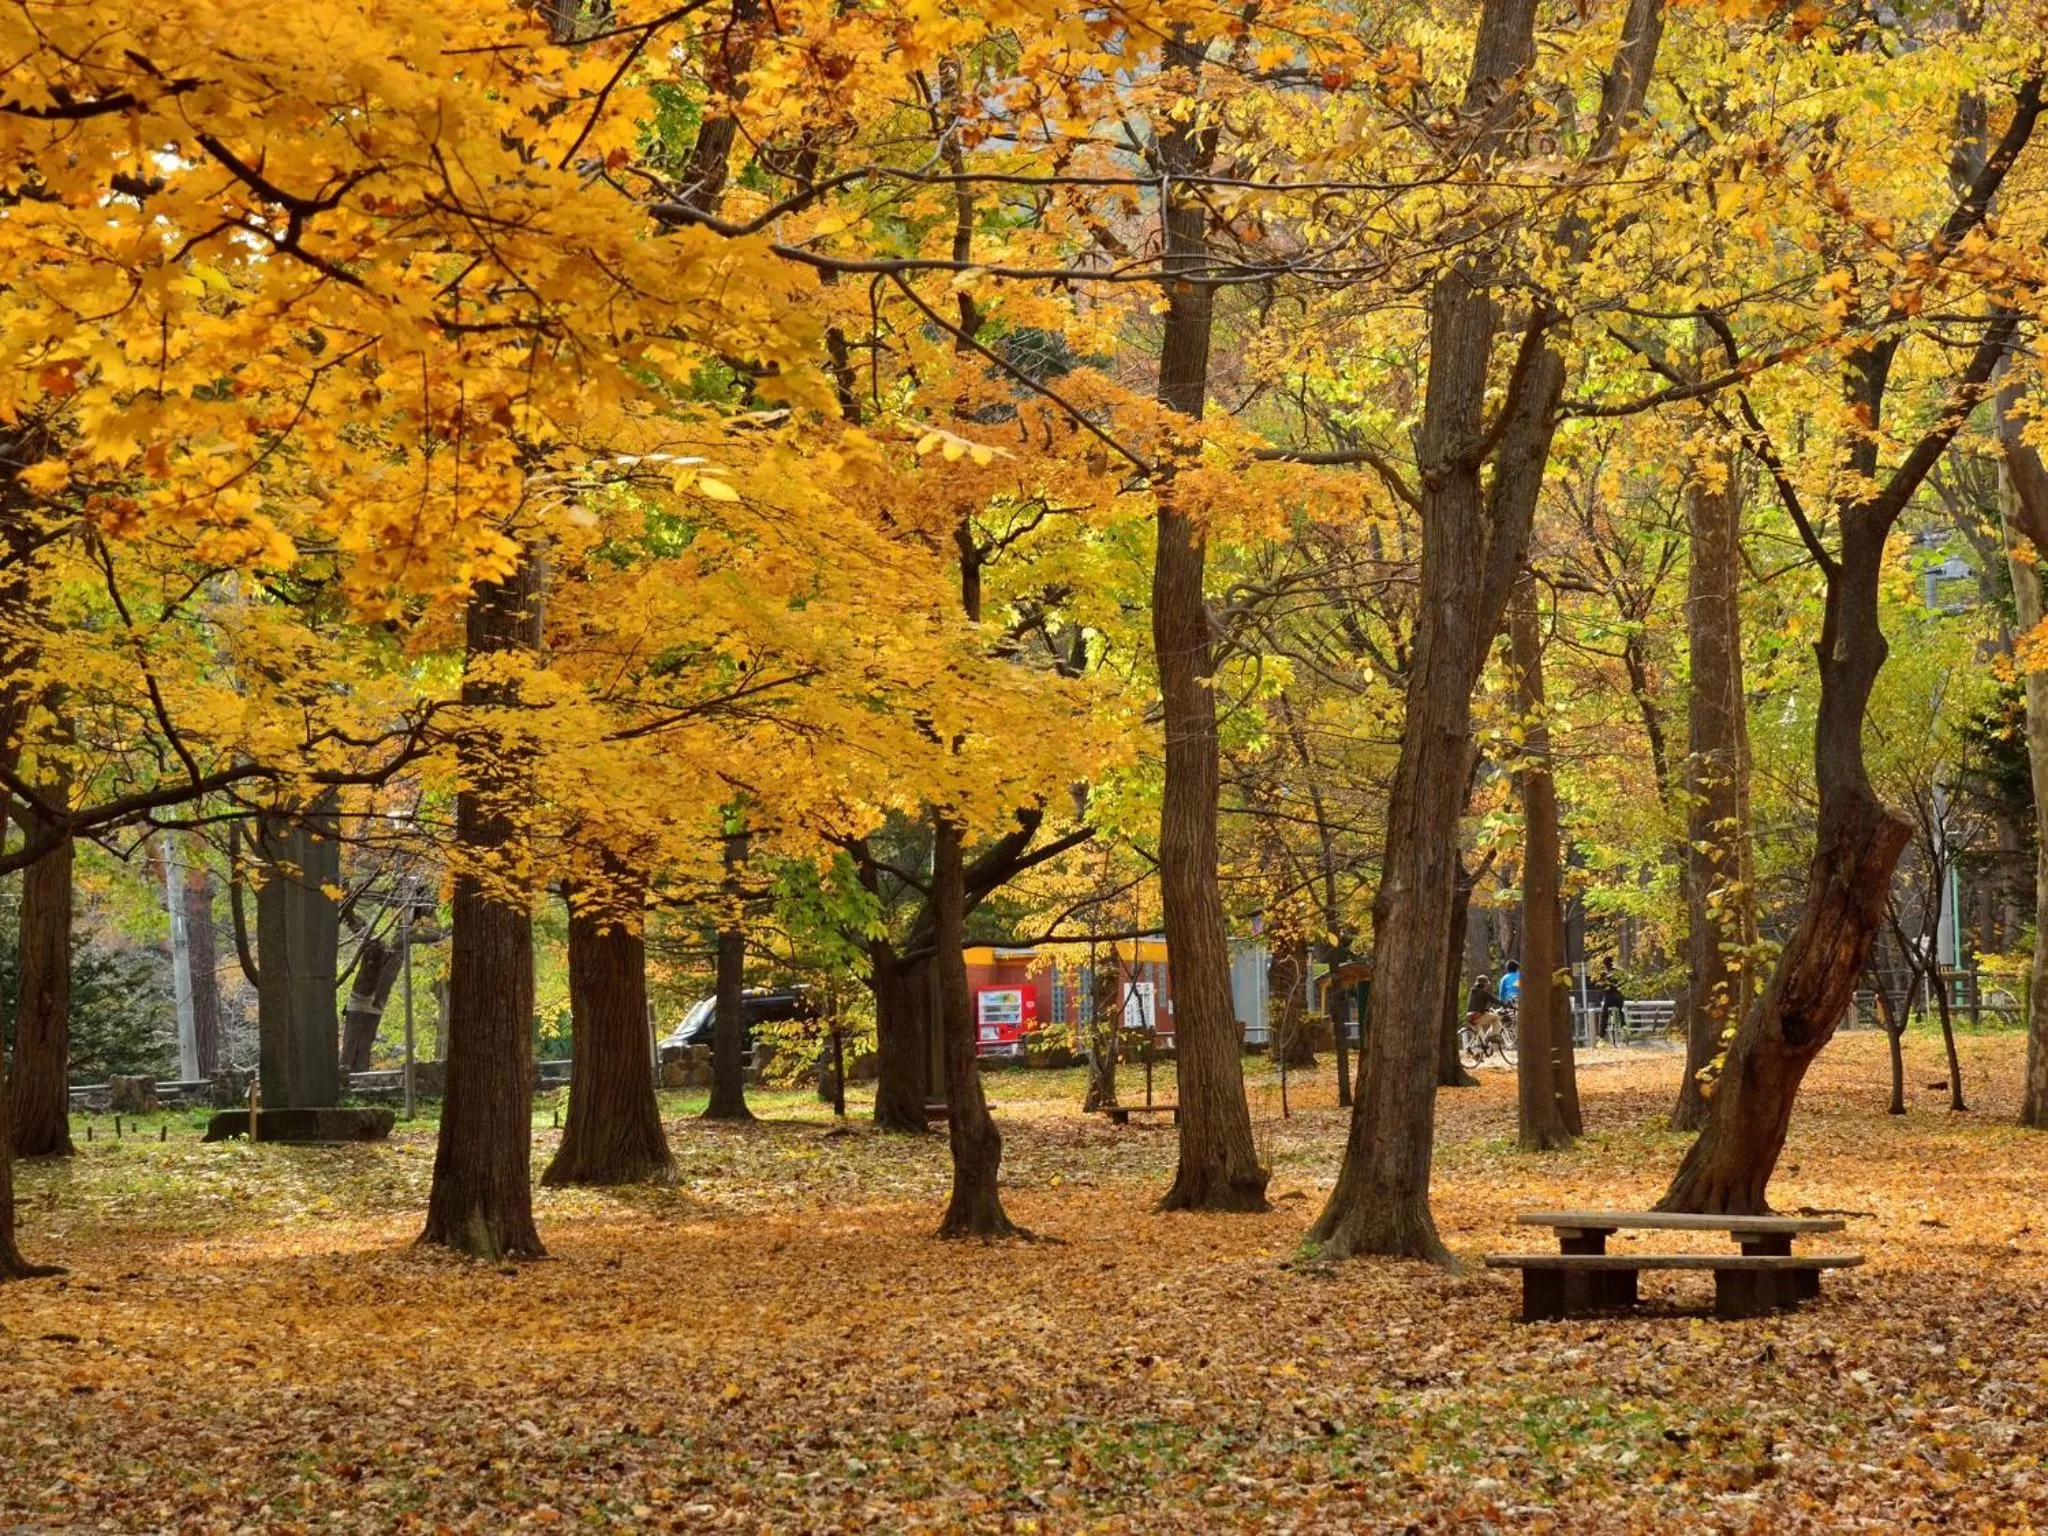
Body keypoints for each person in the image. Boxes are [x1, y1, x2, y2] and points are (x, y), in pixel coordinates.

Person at [1598, 965, 1626, 1044]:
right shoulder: (1618, 972)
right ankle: (1624, 1026)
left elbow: (1600, 985)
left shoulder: (1604, 973)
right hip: (1619, 996)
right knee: (1620, 1011)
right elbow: (1623, 983)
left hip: (1609, 997)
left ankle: (1602, 1037)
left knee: (1604, 1015)